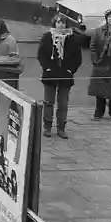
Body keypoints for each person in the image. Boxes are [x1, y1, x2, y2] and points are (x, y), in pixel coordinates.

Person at [37, 11, 82, 139]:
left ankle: (61, 128)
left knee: (63, 104)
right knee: (48, 102)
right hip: (50, 75)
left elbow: (77, 57)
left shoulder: (72, 38)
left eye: (63, 22)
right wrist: (47, 68)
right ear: (54, 23)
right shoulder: (47, 36)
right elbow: (41, 54)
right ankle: (47, 127)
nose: (60, 25)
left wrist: (71, 70)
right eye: (58, 22)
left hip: (65, 76)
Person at [89, 6, 111, 120]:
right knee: (99, 89)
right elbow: (92, 46)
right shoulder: (98, 31)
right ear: (106, 18)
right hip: (101, 64)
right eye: (110, 17)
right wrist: (95, 61)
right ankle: (99, 112)